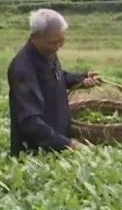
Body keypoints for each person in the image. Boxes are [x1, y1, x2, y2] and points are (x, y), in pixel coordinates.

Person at [7, 9, 100, 155]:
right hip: (35, 152)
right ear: (35, 36)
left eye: (62, 41)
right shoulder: (23, 69)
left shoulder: (47, 52)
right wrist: (67, 144)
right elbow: (29, 121)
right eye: (53, 42)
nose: (58, 47)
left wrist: (81, 79)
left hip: (56, 143)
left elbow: (56, 77)